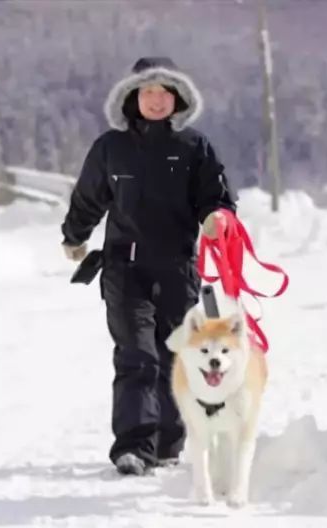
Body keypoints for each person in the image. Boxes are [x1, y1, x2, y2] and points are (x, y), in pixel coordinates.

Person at [60, 56, 237, 476]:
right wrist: (75, 234)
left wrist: (216, 218)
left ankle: (167, 443)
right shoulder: (110, 148)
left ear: (177, 99)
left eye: (164, 93)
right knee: (136, 354)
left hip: (178, 269)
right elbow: (88, 197)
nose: (156, 101)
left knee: (172, 354)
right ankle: (134, 446)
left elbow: (217, 197)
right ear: (132, 97)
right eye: (148, 92)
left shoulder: (195, 147)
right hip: (125, 269)